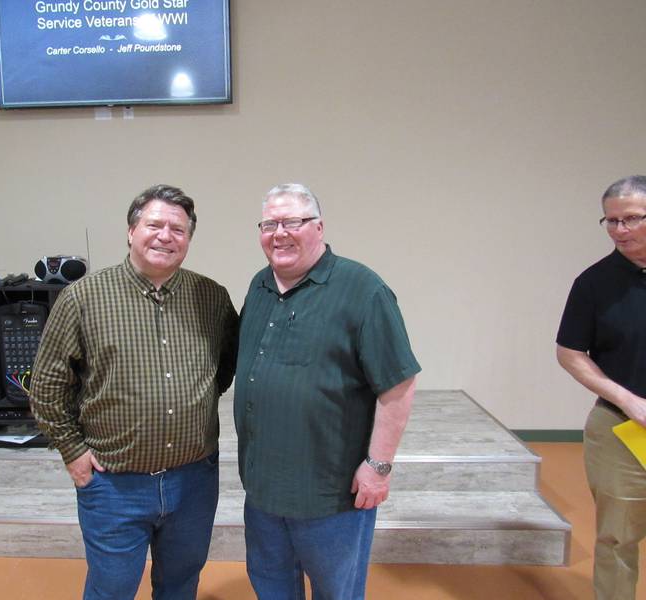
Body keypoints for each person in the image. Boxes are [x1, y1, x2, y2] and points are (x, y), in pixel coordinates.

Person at [29, 184, 238, 600]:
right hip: (113, 485)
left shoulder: (212, 298)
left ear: (189, 240)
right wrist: (72, 450)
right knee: (112, 589)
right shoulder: (83, 298)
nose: (165, 236)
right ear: (130, 231)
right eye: (154, 224)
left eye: (178, 229)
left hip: (193, 481)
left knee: (181, 584)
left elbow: (224, 367)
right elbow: (48, 385)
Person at [234, 183, 421, 599]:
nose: (279, 233)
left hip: (330, 496)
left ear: (318, 227)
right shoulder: (260, 286)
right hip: (263, 491)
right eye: (269, 224)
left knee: (336, 592)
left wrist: (379, 466)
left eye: (292, 222)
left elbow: (399, 384)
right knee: (271, 587)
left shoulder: (363, 290)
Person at [556, 175, 646, 600]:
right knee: (617, 539)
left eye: (631, 219)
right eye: (611, 221)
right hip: (621, 429)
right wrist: (627, 400)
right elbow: (570, 352)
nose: (620, 231)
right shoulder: (593, 284)